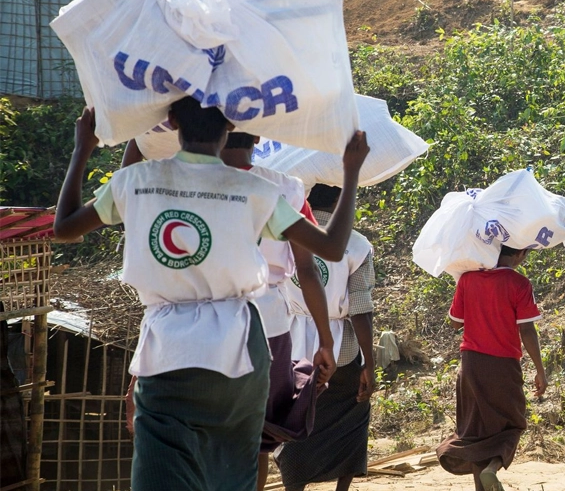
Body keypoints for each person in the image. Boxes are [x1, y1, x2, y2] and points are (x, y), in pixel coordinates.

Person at [52, 99, 367, 491]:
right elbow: (332, 248)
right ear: (234, 125)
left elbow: (64, 227)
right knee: (236, 467)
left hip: (167, 345)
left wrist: (83, 146)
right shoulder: (255, 189)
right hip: (241, 344)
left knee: (161, 469)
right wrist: (350, 171)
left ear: (170, 122)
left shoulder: (136, 182)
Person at [218, 132, 333, 491]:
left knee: (207, 430)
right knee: (257, 437)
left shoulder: (184, 182)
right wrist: (325, 342)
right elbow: (308, 270)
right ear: (256, 134)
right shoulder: (286, 191)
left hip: (205, 321)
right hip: (268, 324)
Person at [275, 183, 378, 491]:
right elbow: (360, 308)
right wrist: (369, 363)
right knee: (352, 415)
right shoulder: (356, 244)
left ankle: (294, 485)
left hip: (291, 340)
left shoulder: (285, 233)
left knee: (295, 417)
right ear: (339, 200)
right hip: (341, 348)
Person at [436, 244, 547, 491]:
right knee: (514, 424)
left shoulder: (467, 279)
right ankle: (492, 467)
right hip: (503, 365)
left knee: (476, 431)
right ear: (519, 253)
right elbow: (527, 330)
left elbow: (455, 323)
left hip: (471, 364)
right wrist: (540, 369)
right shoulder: (519, 284)